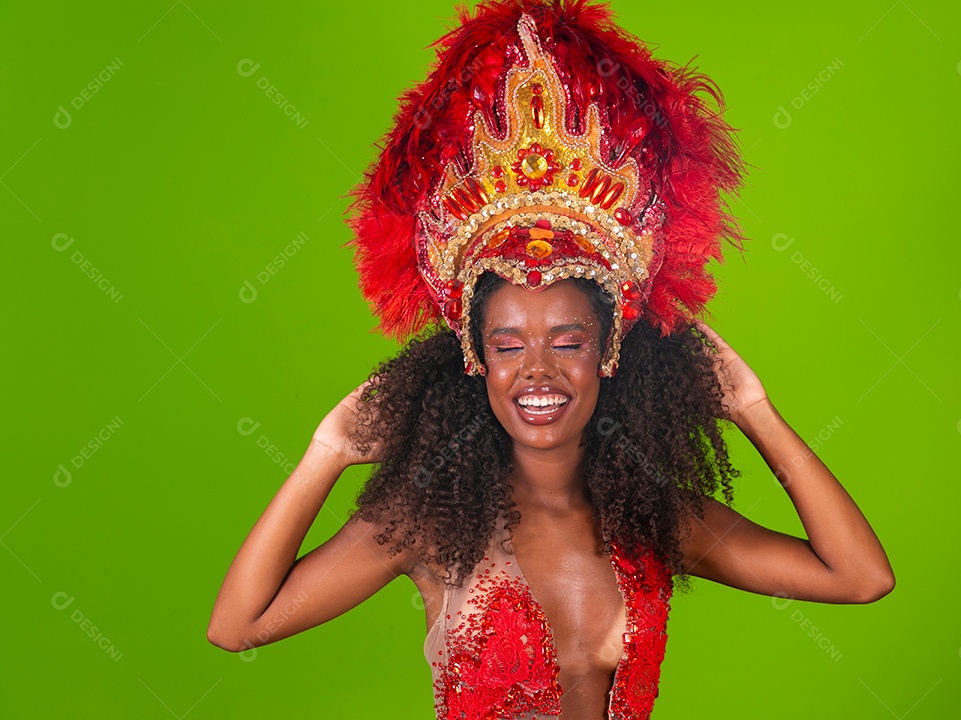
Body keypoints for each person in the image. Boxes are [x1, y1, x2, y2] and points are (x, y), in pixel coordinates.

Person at [207, 1, 894, 718]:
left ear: (608, 352)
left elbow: (858, 576)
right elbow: (238, 626)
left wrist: (755, 412)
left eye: (567, 342)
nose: (537, 371)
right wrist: (326, 452)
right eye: (508, 346)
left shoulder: (656, 518)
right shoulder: (433, 519)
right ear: (476, 357)